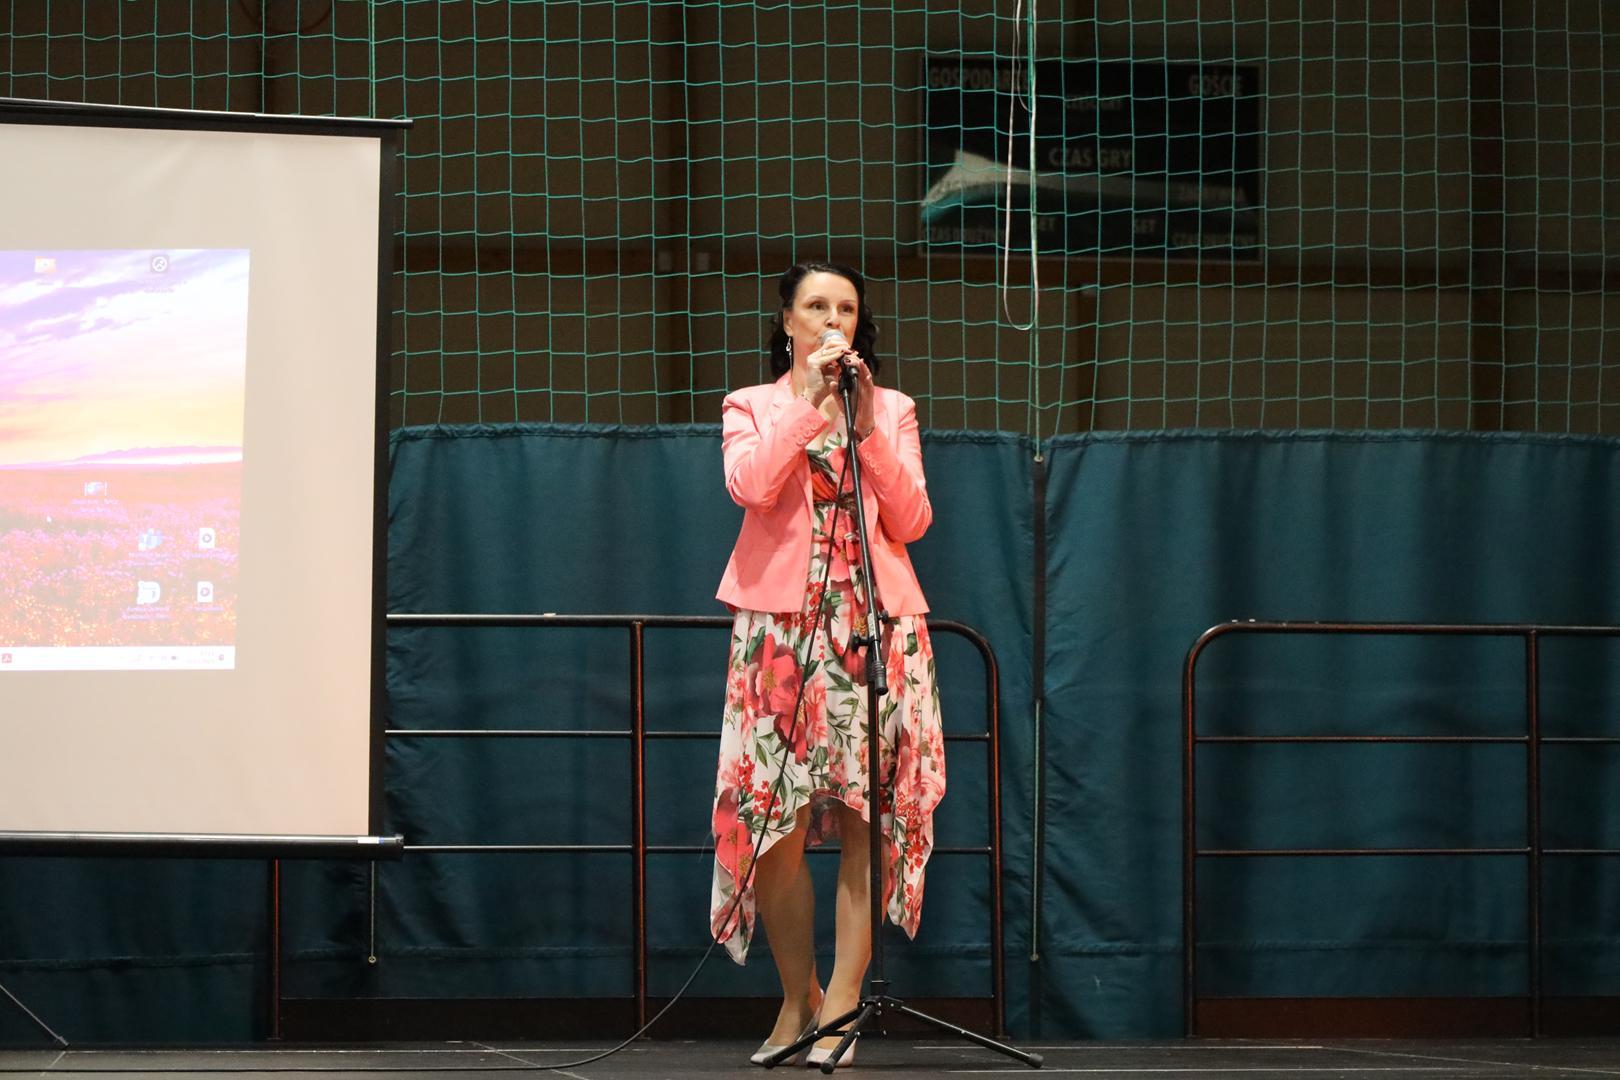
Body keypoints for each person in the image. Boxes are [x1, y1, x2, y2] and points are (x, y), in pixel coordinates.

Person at [709, 260, 947, 1068]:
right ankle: (798, 997)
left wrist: (867, 426)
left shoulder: (891, 408)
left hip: (874, 627)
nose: (832, 318)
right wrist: (807, 402)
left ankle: (843, 1004)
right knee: (772, 824)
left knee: (864, 820)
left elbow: (912, 518)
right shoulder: (753, 404)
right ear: (788, 321)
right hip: (778, 633)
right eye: (816, 305)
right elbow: (750, 486)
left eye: (845, 307)